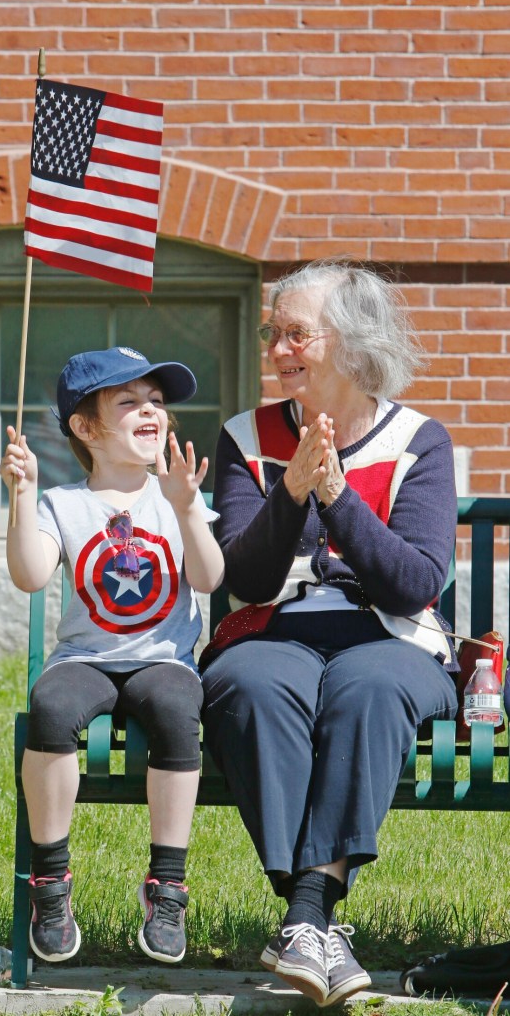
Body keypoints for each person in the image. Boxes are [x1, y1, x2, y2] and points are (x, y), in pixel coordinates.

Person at [199, 259, 459, 1007]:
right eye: (271, 334)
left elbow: (414, 582)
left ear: (349, 342)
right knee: (247, 683)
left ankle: (303, 916)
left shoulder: (418, 440)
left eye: (294, 334)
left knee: (367, 688)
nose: (278, 350)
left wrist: (338, 496)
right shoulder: (245, 436)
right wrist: (288, 489)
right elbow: (241, 578)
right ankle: (314, 921)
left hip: (389, 636)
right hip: (270, 628)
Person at [0, 346, 224, 967]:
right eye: (129, 402)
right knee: (50, 707)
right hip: (86, 658)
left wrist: (186, 509)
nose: (151, 411)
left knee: (180, 711)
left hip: (164, 659)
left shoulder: (177, 498)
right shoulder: (64, 505)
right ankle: (51, 881)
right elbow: (29, 574)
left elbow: (208, 578)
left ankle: (168, 885)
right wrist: (22, 495)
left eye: (157, 401)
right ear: (85, 427)